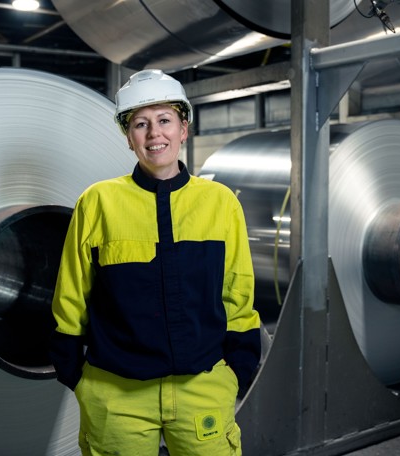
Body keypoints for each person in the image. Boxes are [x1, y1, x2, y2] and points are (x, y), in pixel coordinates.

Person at [50, 69, 261, 456]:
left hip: (204, 385)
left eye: (164, 120)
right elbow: (72, 290)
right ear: (128, 138)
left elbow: (236, 288)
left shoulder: (220, 202)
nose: (154, 134)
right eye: (140, 124)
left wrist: (239, 367)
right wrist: (73, 371)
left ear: (184, 128)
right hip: (115, 392)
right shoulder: (98, 202)